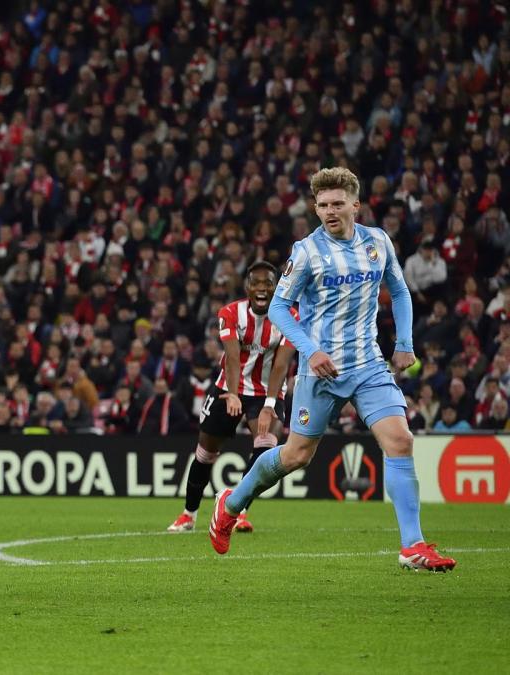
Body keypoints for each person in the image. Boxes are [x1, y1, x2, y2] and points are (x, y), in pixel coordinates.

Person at [208, 167, 456, 571]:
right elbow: (277, 309)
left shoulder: (377, 242)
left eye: (337, 204)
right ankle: (231, 503)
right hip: (318, 371)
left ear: (355, 205)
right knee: (295, 456)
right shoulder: (305, 251)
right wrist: (311, 350)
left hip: (368, 364)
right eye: (322, 205)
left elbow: (399, 290)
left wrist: (405, 343)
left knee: (400, 441)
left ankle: (413, 545)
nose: (329, 212)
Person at [166, 261, 296, 534]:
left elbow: (282, 365)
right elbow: (233, 358)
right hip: (229, 388)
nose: (262, 288)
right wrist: (233, 394)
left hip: (266, 392)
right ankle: (189, 514)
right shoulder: (230, 313)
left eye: (268, 283)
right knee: (205, 452)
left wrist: (270, 405)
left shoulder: (290, 316)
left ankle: (237, 512)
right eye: (256, 283)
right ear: (247, 288)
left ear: (277, 287)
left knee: (265, 448)